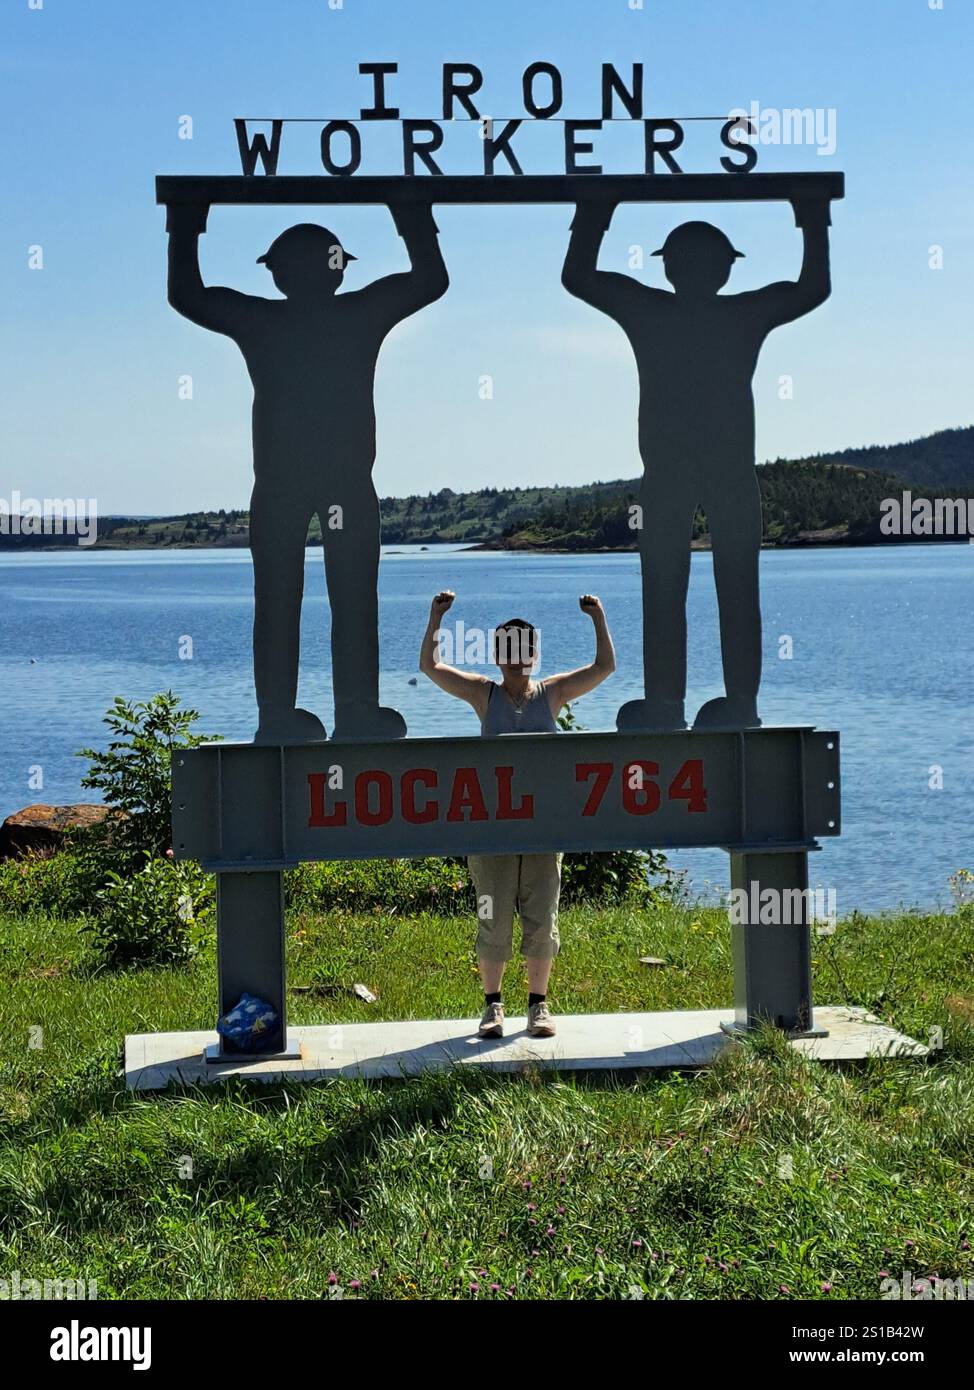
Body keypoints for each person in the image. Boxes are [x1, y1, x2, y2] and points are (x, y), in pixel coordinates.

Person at [167, 201, 449, 742]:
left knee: (279, 599)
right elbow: (430, 278)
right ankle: (355, 710)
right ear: (337, 268)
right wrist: (408, 211)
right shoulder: (358, 313)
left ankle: (282, 714)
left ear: (277, 272)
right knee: (351, 598)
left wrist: (186, 222)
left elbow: (188, 294)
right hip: (341, 482)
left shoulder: (261, 319)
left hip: (281, 484)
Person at [562, 199, 832, 731]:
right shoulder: (742, 312)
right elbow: (812, 287)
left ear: (668, 265)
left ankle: (670, 704)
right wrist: (811, 216)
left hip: (672, 472)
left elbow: (579, 275)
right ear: (727, 267)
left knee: (668, 586)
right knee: (733, 586)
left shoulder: (651, 309)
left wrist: (597, 210)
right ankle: (728, 703)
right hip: (721, 472)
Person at [419, 590, 616, 1038]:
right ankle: (493, 1007)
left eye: (524, 650)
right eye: (507, 650)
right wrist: (436, 617)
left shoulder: (554, 693)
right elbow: (430, 668)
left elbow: (604, 667)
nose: (516, 659)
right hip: (492, 831)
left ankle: (538, 1006)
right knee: (493, 916)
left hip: (544, 831)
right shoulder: (483, 696)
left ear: (534, 653)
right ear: (496, 654)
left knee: (543, 917)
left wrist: (597, 617)